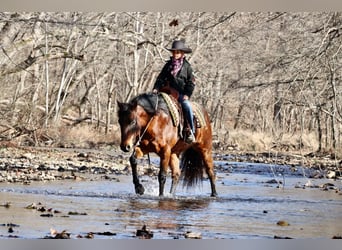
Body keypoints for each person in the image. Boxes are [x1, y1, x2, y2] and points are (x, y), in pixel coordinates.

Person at [152, 40, 196, 143]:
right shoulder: (168, 65)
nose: (175, 54)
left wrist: (187, 94)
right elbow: (160, 78)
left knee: (187, 106)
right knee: (152, 105)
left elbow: (191, 82)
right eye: (174, 52)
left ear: (182, 53)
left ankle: (190, 131)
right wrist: (156, 88)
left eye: (178, 52)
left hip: (180, 94)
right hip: (166, 92)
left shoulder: (187, 67)